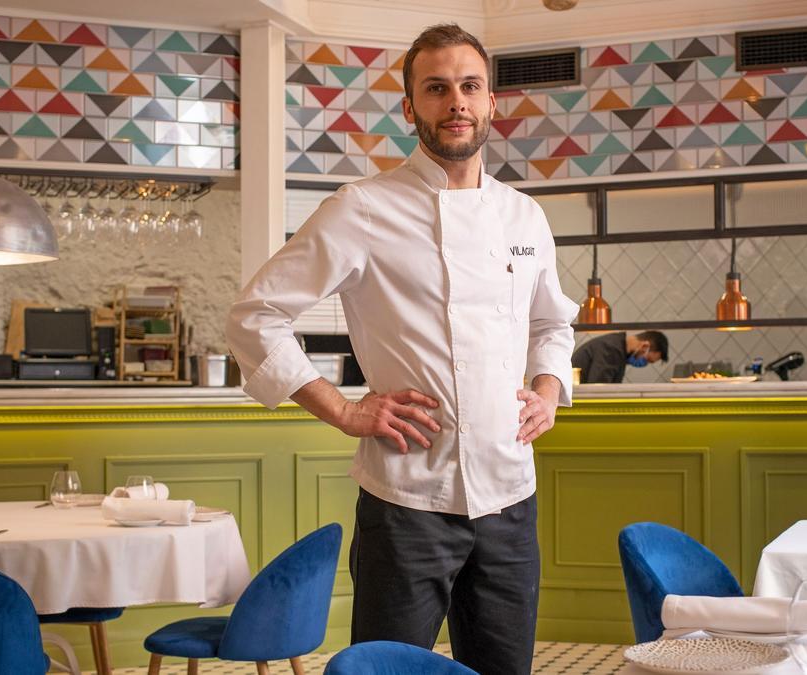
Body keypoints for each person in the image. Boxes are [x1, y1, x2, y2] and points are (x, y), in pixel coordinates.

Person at [225, 23, 577, 675]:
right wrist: (343, 410)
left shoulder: (524, 216)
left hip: (510, 498)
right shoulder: (362, 207)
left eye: (470, 86)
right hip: (408, 502)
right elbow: (255, 316)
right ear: (410, 106)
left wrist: (550, 389)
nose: (456, 102)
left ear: (492, 101)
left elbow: (552, 323)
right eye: (437, 88)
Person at [571, 331, 669, 384]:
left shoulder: (619, 349)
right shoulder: (611, 350)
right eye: (648, 360)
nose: (644, 363)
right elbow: (599, 388)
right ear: (644, 346)